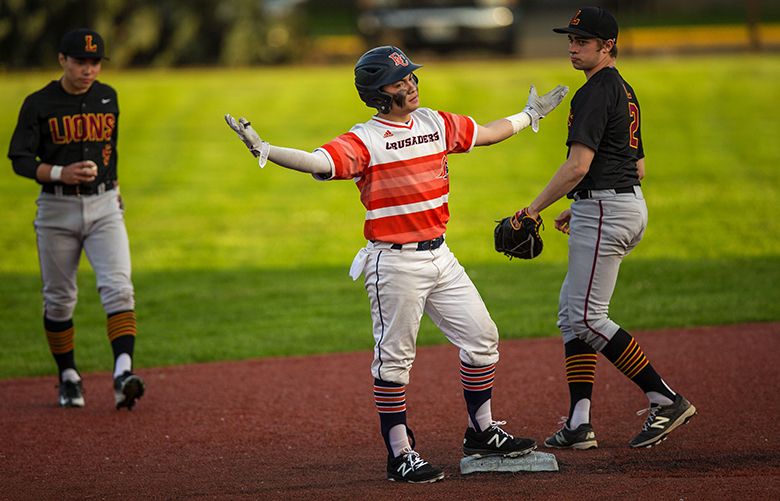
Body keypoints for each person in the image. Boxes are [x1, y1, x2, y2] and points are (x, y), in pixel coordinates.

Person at [225, 45, 568, 482]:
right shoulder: (364, 139)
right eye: (400, 80)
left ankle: (482, 431)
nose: (411, 85)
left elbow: (485, 132)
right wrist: (266, 148)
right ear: (377, 93)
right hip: (394, 265)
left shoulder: (435, 122)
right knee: (394, 363)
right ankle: (400, 453)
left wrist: (528, 116)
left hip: (441, 257)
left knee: (482, 339)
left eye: (411, 77)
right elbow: (318, 163)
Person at [515, 7, 696, 449]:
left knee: (586, 316)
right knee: (571, 315)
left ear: (607, 45)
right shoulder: (624, 90)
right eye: (571, 40)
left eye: (583, 42)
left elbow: (578, 166)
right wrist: (582, 207)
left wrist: (533, 209)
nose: (573, 48)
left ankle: (665, 398)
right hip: (621, 205)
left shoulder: (595, 91)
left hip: (608, 212)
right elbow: (637, 165)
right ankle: (580, 423)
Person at [8, 28, 145, 411]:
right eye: (81, 61)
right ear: (62, 60)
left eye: (95, 62)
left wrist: (113, 181)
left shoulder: (108, 96)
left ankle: (123, 374)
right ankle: (68, 376)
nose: (89, 69)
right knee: (59, 300)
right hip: (56, 208)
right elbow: (19, 158)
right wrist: (58, 173)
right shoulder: (39, 103)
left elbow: (109, 147)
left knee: (119, 287)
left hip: (104, 205)